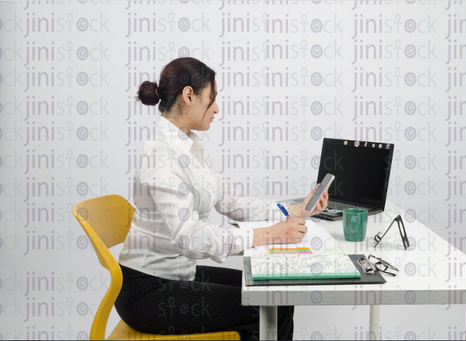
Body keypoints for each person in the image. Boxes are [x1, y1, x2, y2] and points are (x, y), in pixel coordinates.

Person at [114, 57, 328, 340]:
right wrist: (266, 236)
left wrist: (293, 209)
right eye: (212, 98)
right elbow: (189, 238)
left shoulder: (190, 144)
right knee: (267, 309)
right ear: (189, 95)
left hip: (178, 274)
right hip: (148, 292)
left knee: (278, 297)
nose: (216, 109)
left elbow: (230, 202)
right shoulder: (161, 155)